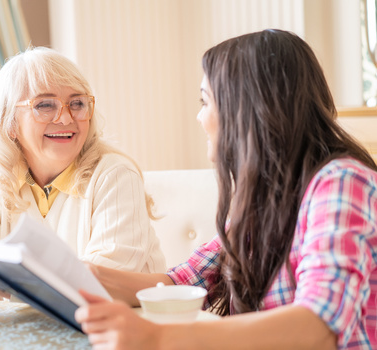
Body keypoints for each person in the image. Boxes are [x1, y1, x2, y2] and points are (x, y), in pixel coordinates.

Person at [74, 29, 377, 349]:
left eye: (205, 101)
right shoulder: (266, 198)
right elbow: (180, 282)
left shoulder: (342, 182)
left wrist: (158, 337)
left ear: (248, 107)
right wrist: (83, 275)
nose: (199, 116)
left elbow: (318, 326)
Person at [0, 47, 166, 312]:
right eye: (45, 105)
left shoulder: (115, 175)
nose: (66, 118)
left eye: (77, 103)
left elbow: (99, 288)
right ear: (9, 123)